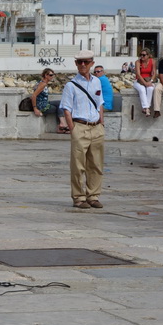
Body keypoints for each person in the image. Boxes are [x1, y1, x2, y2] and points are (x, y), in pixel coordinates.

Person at [60, 50, 105, 209]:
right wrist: (72, 128)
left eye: (86, 62)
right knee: (78, 166)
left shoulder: (97, 82)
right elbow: (66, 108)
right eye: (80, 62)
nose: (83, 65)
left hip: (96, 127)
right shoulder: (70, 85)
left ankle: (93, 195)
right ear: (76, 64)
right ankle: (79, 197)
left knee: (96, 164)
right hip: (79, 126)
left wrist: (101, 121)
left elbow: (100, 102)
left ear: (92, 63)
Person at [133, 48, 156, 117]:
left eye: (144, 55)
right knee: (142, 90)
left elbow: (154, 73)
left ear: (148, 55)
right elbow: (138, 74)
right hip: (139, 81)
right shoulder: (138, 62)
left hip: (148, 80)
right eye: (141, 55)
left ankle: (145, 108)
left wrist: (150, 81)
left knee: (150, 89)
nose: (142, 56)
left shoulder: (153, 61)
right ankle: (147, 108)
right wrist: (145, 83)